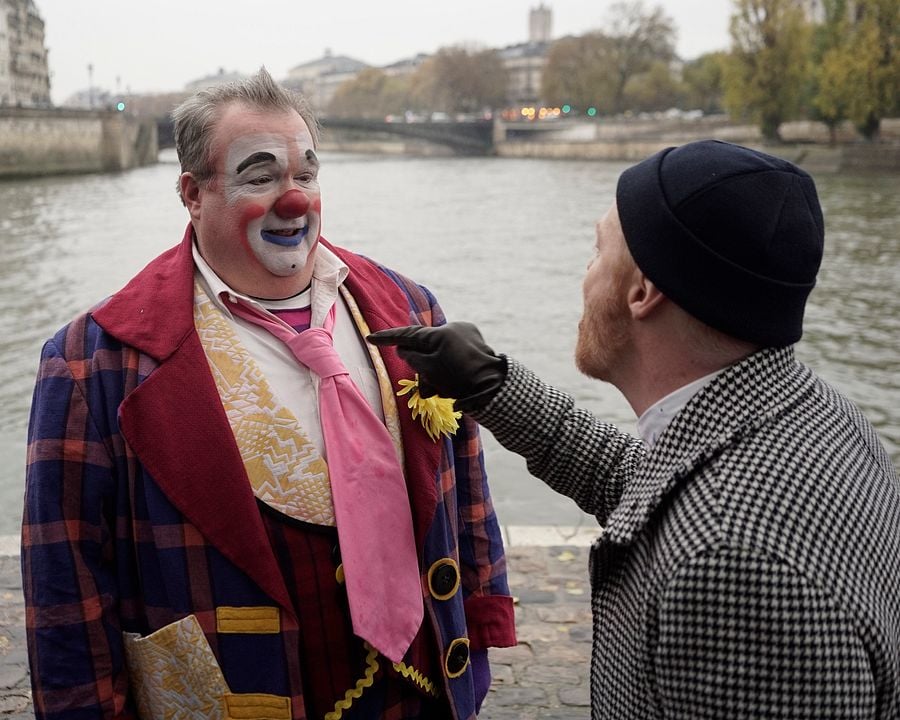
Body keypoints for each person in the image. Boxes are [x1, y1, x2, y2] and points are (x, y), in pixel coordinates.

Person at [23, 68, 514, 720]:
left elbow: (464, 483)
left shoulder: (409, 307)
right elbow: (67, 585)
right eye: (261, 176)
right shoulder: (91, 363)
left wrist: (478, 623)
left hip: (423, 696)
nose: (296, 200)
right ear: (193, 194)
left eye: (307, 175)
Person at [370, 140, 900, 718]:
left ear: (642, 292)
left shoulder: (732, 566)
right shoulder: (811, 415)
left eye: (597, 253)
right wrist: (490, 385)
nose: (585, 275)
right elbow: (647, 487)